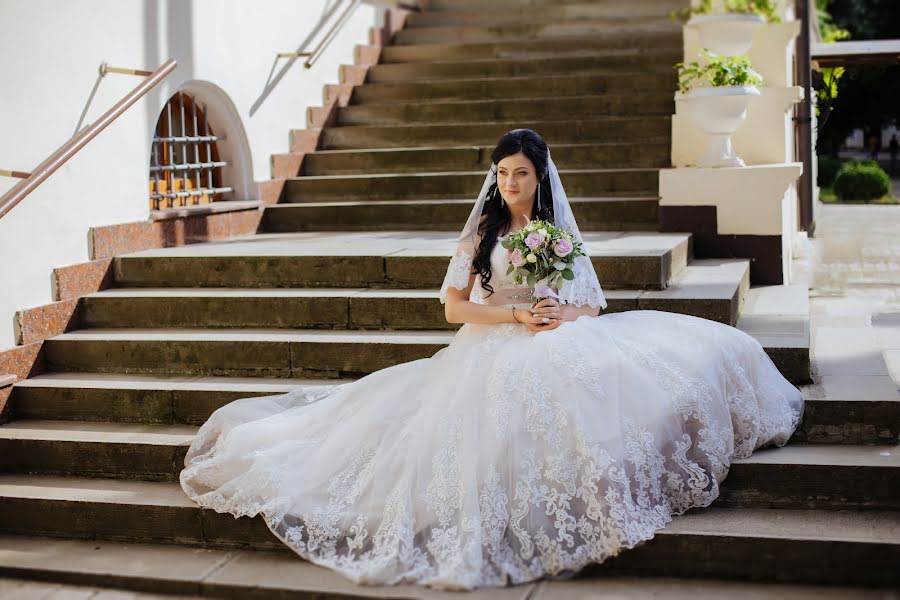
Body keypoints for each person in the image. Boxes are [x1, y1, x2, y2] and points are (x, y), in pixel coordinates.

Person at [180, 128, 803, 590]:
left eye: (521, 174)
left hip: (555, 334)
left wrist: (558, 315)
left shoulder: (558, 235)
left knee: (621, 370)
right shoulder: (482, 233)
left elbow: (592, 303)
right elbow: (453, 308)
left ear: (541, 176)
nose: (511, 184)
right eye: (503, 173)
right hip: (490, 341)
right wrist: (512, 315)